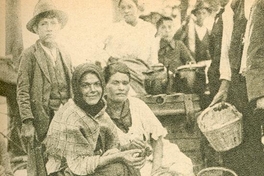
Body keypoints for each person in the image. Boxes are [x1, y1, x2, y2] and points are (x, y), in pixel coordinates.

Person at [45, 63, 145, 176]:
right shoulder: (70, 116)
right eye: (86, 85)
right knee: (118, 169)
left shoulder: (99, 111)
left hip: (89, 167)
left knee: (128, 167)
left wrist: (132, 148)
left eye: (97, 84)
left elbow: (111, 148)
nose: (93, 90)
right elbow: (79, 165)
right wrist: (120, 156)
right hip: (66, 171)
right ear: (77, 88)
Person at [104, 62, 194, 176]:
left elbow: (157, 139)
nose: (121, 88)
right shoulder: (100, 114)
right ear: (105, 85)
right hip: (130, 162)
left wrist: (156, 170)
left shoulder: (137, 105)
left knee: (183, 166)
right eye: (115, 83)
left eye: (125, 83)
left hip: (157, 154)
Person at [16, 0, 72, 175]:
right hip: (42, 119)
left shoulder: (65, 53)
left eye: (53, 23)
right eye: (44, 24)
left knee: (65, 163)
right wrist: (27, 122)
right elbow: (22, 90)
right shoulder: (29, 55)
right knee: (41, 165)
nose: (49, 28)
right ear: (36, 29)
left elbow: (72, 86)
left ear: (59, 26)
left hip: (64, 116)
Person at [103, 0, 158, 95]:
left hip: (144, 72)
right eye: (123, 8)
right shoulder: (114, 29)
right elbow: (101, 50)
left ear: (137, 7)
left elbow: (153, 57)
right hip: (120, 72)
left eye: (130, 7)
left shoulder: (148, 28)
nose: (126, 11)